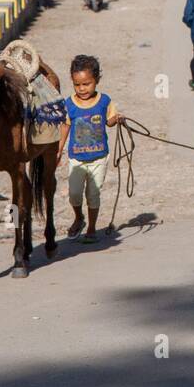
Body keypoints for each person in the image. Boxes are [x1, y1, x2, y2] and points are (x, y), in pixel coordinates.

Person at [59, 54, 122, 244]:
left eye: (86, 84)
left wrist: (117, 119)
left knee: (93, 194)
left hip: (99, 158)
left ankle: (92, 228)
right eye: (77, 85)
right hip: (76, 159)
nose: (82, 88)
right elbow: (65, 127)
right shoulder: (69, 104)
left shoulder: (105, 101)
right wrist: (58, 149)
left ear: (96, 81)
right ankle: (79, 218)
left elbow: (109, 121)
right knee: (75, 194)